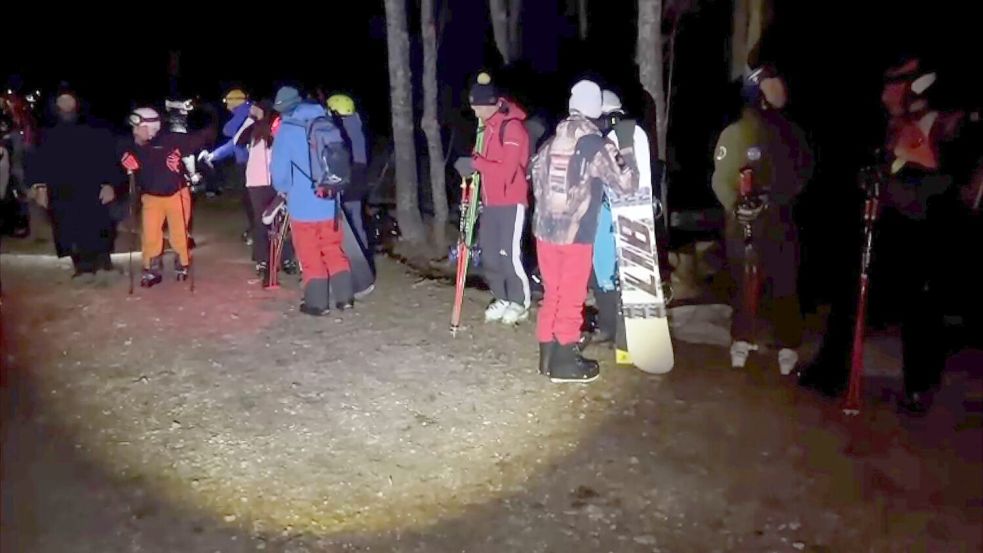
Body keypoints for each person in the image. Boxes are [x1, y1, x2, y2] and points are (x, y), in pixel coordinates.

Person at [798, 57, 962, 414]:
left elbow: (944, 183)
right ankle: (831, 370)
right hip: (888, 226)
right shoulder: (895, 125)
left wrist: (899, 181)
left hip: (922, 233)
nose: (886, 93)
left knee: (920, 309)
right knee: (850, 291)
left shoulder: (941, 125)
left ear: (913, 88)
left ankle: (920, 387)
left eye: (896, 84)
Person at [529, 79, 639, 383]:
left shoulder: (550, 142)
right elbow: (626, 183)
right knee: (572, 296)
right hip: (576, 234)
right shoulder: (594, 144)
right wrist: (626, 145)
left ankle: (547, 355)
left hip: (545, 232)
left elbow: (535, 181)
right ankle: (565, 361)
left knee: (553, 293)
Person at [710, 64, 813, 375]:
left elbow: (802, 173)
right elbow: (720, 179)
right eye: (770, 85)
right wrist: (735, 204)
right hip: (741, 224)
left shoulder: (791, 133)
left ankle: (787, 344)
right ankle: (741, 339)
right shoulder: (735, 133)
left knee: (784, 282)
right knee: (743, 281)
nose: (778, 90)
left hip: (779, 222)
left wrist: (773, 199)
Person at [453, 72, 532, 325]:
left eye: (477, 106)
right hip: (490, 201)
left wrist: (477, 163)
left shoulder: (512, 127)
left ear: (490, 103)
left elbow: (508, 169)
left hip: (511, 200)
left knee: (509, 254)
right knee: (488, 254)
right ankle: (502, 297)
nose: (474, 111)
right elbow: (482, 163)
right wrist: (471, 167)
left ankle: (520, 302)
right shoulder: (486, 128)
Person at [270, 86, 354, 315]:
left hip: (303, 204)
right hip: (329, 200)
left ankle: (317, 303)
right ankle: (345, 298)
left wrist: (284, 190)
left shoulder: (286, 131)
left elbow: (279, 175)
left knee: (309, 251)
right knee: (333, 247)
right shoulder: (325, 121)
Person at [26, 89, 120, 277]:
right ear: (56, 105)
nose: (66, 105)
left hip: (92, 185)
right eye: (62, 101)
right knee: (69, 228)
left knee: (99, 226)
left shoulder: (95, 127)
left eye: (69, 100)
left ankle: (103, 263)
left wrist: (110, 183)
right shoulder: (46, 130)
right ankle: (82, 267)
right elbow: (38, 159)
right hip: (62, 189)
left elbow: (108, 156)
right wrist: (40, 186)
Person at [121, 107, 209, 287]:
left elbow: (199, 140)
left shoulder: (170, 139)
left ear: (150, 127)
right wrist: (124, 159)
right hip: (151, 196)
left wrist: (180, 156)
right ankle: (151, 267)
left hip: (177, 192)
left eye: (138, 127)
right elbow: (118, 149)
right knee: (150, 234)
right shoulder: (133, 145)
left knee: (178, 232)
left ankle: (182, 262)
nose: (134, 132)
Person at [201, 88, 253, 241]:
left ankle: (258, 233)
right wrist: (214, 155)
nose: (226, 106)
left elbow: (228, 131)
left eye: (227, 102)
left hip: (250, 165)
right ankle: (256, 230)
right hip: (247, 164)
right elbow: (234, 143)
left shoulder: (244, 113)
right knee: (250, 200)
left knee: (252, 201)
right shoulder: (246, 113)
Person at [326, 93, 371, 252]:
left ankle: (345, 255)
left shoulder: (340, 129)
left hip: (348, 174)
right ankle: (363, 253)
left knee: (342, 219)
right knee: (356, 218)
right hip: (360, 174)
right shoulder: (357, 124)